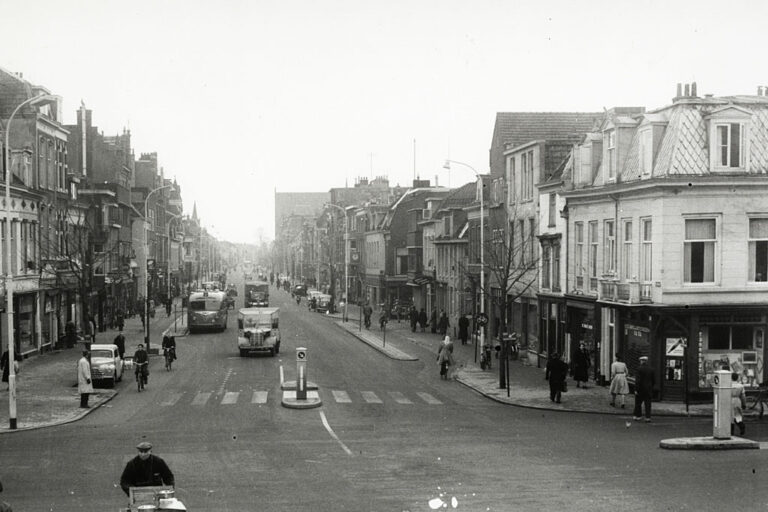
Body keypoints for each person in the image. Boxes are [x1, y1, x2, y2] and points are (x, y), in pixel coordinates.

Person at [633, 355, 655, 422]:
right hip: (648, 389)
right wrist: (651, 387)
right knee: (648, 404)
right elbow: (653, 380)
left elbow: (638, 380)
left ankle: (638, 416)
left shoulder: (639, 369)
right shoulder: (651, 369)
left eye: (640, 361)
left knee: (638, 403)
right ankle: (648, 417)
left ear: (642, 361)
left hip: (640, 389)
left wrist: (636, 389)